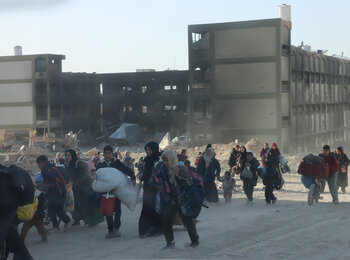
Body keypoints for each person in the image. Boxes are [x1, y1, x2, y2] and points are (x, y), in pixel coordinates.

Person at [152, 150, 199, 249]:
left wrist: (178, 175)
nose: (165, 162)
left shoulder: (181, 168)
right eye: (164, 160)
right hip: (172, 200)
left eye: (166, 160)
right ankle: (170, 242)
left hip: (183, 199)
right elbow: (158, 180)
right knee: (166, 219)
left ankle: (195, 241)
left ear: (172, 159)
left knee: (187, 221)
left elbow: (189, 183)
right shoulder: (164, 169)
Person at [97, 145, 136, 239]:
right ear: (103, 154)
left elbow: (126, 169)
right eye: (105, 153)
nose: (107, 155)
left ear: (112, 153)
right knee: (108, 210)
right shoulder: (101, 164)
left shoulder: (116, 163)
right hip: (106, 191)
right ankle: (110, 230)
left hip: (117, 190)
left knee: (117, 209)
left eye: (109, 153)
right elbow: (98, 175)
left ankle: (117, 228)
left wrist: (133, 177)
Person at [0, 164, 33, 260]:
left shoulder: (5, 176)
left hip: (7, 216)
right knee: (16, 243)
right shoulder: (11, 173)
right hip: (11, 215)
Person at [65, 149, 103, 227]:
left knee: (87, 204)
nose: (67, 157)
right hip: (75, 187)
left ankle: (93, 221)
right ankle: (76, 219)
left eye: (69, 155)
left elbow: (83, 175)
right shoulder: (67, 164)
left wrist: (74, 183)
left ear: (72, 155)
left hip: (85, 186)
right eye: (66, 155)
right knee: (74, 204)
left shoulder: (78, 163)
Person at [36, 155, 71, 231]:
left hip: (59, 193)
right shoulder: (44, 170)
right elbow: (45, 181)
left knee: (59, 211)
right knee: (51, 210)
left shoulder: (51, 171)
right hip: (51, 193)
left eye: (39, 164)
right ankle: (55, 226)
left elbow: (53, 184)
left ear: (43, 163)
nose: (38, 166)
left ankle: (68, 221)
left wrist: (42, 185)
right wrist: (41, 185)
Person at [138, 142, 162, 238]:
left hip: (155, 188)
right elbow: (146, 172)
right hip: (147, 188)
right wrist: (142, 177)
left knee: (155, 208)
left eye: (150, 150)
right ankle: (145, 230)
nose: (148, 152)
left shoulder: (159, 160)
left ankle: (157, 229)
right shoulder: (147, 160)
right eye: (147, 150)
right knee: (147, 208)